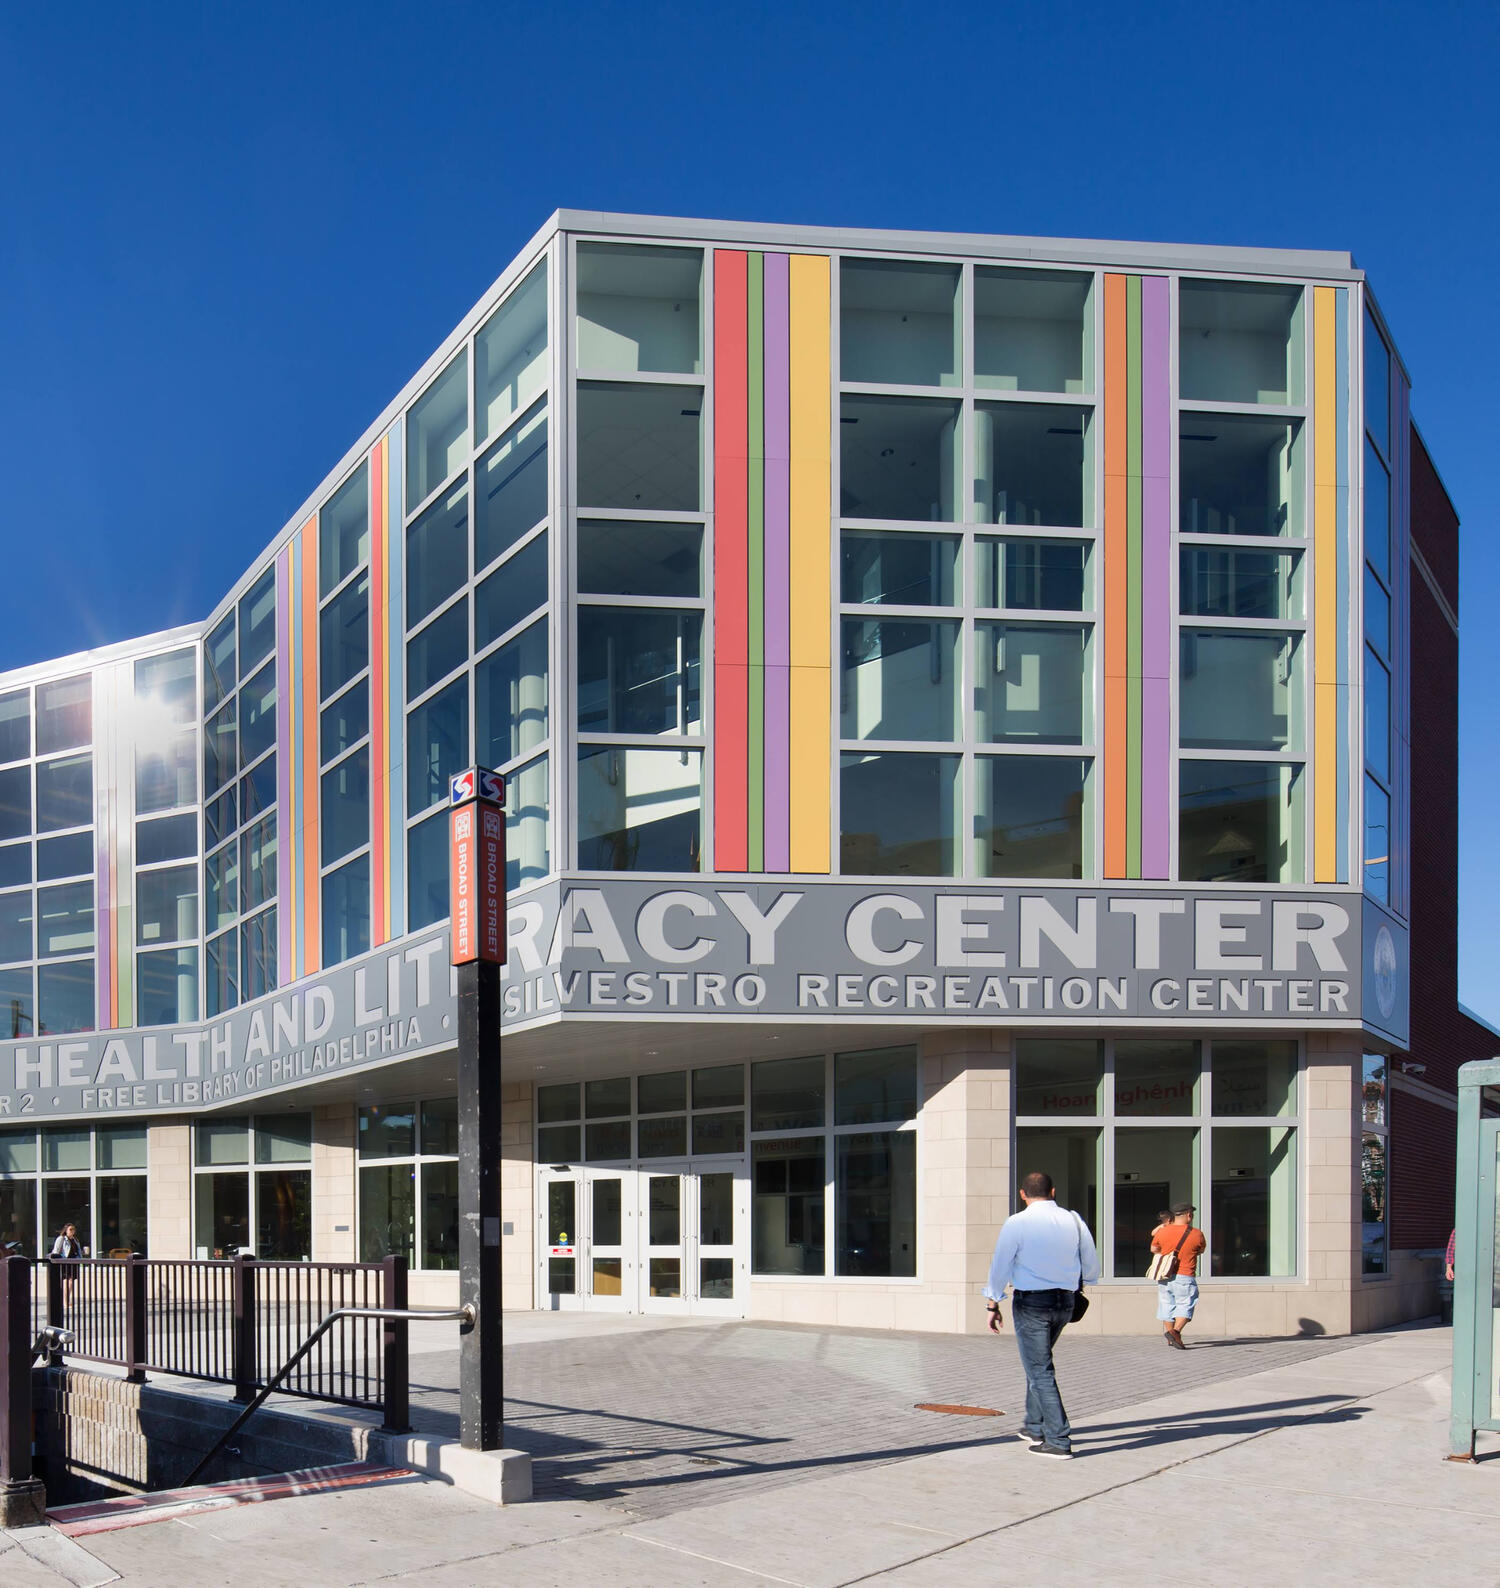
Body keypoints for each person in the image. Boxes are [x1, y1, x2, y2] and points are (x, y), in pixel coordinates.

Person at [984, 1170, 1099, 1460]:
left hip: (1033, 1303)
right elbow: (1090, 1260)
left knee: (1040, 1370)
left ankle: (1058, 1439)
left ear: (1023, 1194)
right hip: (1066, 1301)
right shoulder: (1073, 1219)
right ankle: (1034, 1426)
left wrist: (993, 1301)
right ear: (1053, 1191)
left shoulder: (1017, 1222)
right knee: (1038, 1363)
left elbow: (1001, 1263)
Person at [1151, 1201, 1206, 1349]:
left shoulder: (1163, 1231)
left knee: (1166, 1305)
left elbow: (1154, 1248)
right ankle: (1175, 1333)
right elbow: (1201, 1250)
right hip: (1185, 1274)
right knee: (1186, 1304)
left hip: (1165, 1275)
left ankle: (1171, 1338)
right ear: (1189, 1214)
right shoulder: (1196, 1233)